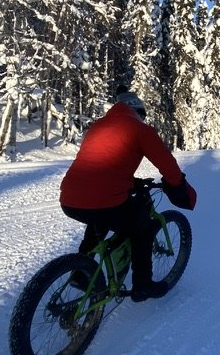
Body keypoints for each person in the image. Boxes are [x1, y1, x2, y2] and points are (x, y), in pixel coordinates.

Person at [60, 91, 197, 301]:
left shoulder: (97, 126)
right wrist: (178, 185)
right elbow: (167, 165)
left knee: (98, 222)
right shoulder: (140, 130)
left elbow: (102, 162)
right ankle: (143, 285)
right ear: (137, 111)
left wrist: (130, 182)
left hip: (69, 199)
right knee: (142, 229)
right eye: (141, 115)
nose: (141, 119)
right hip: (104, 200)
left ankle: (80, 272)